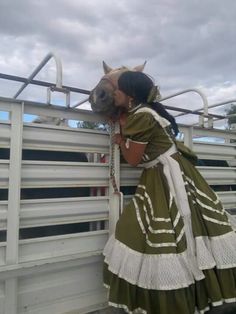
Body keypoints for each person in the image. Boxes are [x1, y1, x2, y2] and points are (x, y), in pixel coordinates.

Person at [103, 71, 236, 314]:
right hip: (169, 174)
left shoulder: (141, 116)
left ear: (130, 95)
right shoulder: (144, 114)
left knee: (164, 233)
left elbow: (133, 159)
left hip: (165, 177)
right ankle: (195, 292)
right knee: (190, 232)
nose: (114, 93)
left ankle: (174, 296)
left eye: (118, 88)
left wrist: (121, 141)